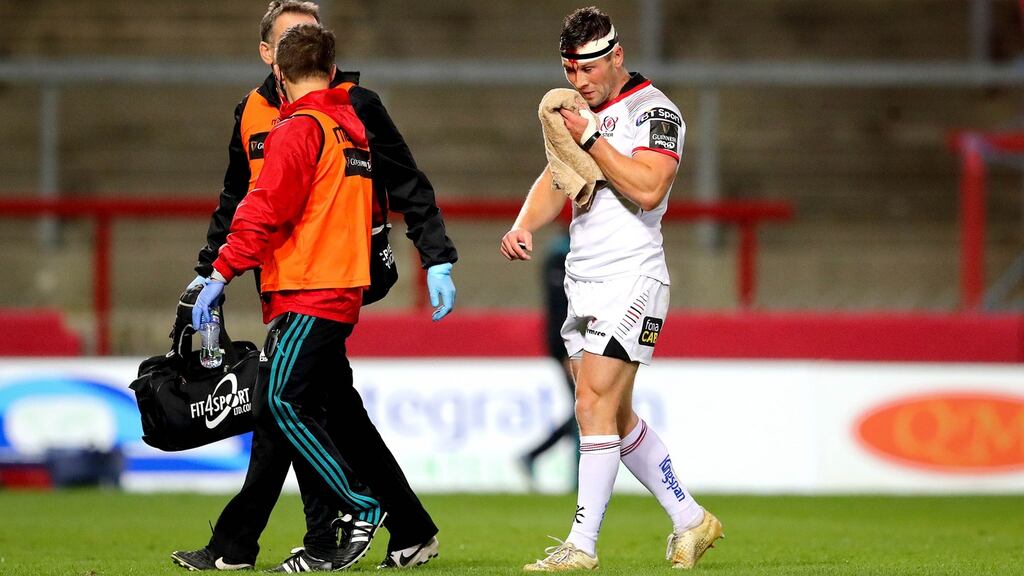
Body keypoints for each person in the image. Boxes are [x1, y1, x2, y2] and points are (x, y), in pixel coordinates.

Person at [173, 2, 452, 571]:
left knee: (281, 403)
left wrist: (436, 255)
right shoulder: (284, 116)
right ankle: (405, 529)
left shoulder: (327, 117)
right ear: (269, 55)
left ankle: (333, 522)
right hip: (302, 281)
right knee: (332, 412)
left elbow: (271, 205)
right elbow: (236, 198)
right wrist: (213, 268)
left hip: (314, 282)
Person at [500, 6, 723, 571]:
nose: (579, 82)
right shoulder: (581, 113)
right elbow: (558, 176)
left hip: (633, 278)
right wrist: (525, 224)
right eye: (570, 70)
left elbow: (649, 188)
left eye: (589, 68)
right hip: (584, 280)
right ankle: (691, 520)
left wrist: (593, 137)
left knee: (590, 403)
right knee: (615, 418)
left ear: (617, 55)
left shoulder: (655, 112)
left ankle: (582, 545)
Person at [519, 232, 579, 489]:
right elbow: (559, 309)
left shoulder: (565, 254)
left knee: (587, 410)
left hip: (578, 344)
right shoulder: (562, 257)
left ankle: (534, 455)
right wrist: (566, 350)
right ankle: (581, 482)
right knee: (587, 410)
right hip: (570, 346)